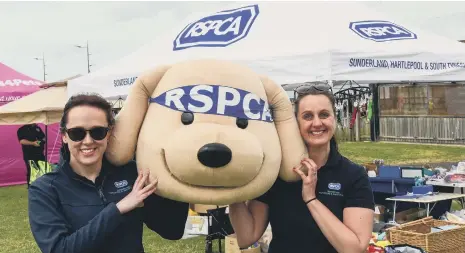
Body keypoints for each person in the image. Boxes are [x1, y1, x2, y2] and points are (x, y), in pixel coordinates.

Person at [28, 94, 190, 253]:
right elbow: (59, 249)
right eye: (77, 133)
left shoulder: (131, 173)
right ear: (64, 136)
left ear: (109, 133)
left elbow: (172, 230)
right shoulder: (44, 189)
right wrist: (118, 209)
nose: (88, 141)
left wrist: (179, 180)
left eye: (97, 132)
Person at [228, 83, 375, 253]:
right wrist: (234, 192)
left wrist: (311, 198)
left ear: (334, 119)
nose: (317, 123)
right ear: (296, 123)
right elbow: (247, 236)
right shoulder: (277, 172)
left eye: (324, 114)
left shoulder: (353, 175)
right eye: (307, 116)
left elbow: (354, 248)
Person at [17, 123, 46, 187]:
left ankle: (43, 186)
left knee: (43, 169)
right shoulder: (22, 129)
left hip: (40, 153)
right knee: (32, 171)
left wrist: (40, 141)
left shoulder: (37, 128)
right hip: (29, 155)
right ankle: (31, 187)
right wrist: (33, 143)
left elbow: (43, 137)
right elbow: (21, 141)